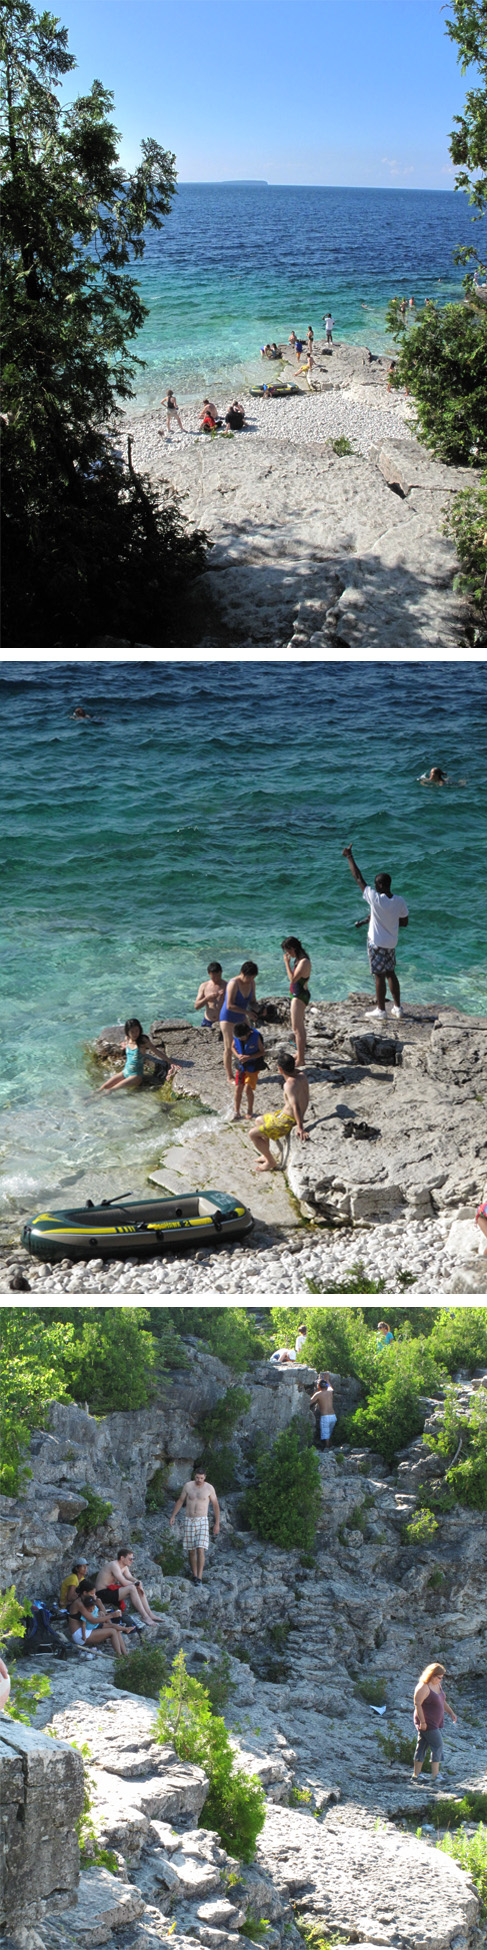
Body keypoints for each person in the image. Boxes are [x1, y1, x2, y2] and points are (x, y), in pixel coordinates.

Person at [342, 845, 408, 1021]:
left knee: (378, 975)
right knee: (391, 973)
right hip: (391, 943)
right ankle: (398, 1008)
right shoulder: (399, 901)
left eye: (376, 883)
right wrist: (389, 922)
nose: (375, 885)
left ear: (380, 885)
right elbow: (405, 922)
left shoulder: (375, 898)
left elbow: (357, 877)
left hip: (376, 943)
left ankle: (381, 1010)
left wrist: (349, 856)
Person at [249, 1051, 309, 1172]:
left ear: (280, 1069)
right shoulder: (302, 1075)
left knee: (252, 1134)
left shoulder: (289, 1085)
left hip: (287, 1121)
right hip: (284, 1114)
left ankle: (271, 1162)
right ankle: (266, 1155)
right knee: (259, 1120)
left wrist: (300, 1127)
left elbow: (295, 1105)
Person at [169, 1465, 220, 1585]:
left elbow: (216, 1505)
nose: (199, 1480)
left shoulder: (209, 1488)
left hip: (202, 1520)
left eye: (201, 1478)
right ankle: (195, 1575)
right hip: (189, 1520)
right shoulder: (188, 1486)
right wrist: (173, 1516)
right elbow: (181, 1500)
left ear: (205, 1477)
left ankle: (200, 1577)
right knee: (191, 1550)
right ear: (194, 1476)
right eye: (197, 1477)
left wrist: (217, 1524)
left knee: (200, 1548)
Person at [97, 1019, 177, 1094]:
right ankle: (91, 1097)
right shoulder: (127, 1039)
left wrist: (171, 1062)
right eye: (132, 1032)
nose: (135, 1034)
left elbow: (157, 1052)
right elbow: (128, 1048)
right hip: (125, 1072)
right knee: (103, 1087)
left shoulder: (143, 1041)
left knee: (111, 1090)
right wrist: (126, 1046)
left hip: (135, 1076)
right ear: (127, 1032)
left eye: (137, 1031)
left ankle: (93, 1102)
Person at [412, 1662, 457, 1785]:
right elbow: (418, 1705)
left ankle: (416, 1775)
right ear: (432, 1675)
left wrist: (450, 1712)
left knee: (422, 1746)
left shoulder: (437, 1686)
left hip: (434, 1721)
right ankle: (435, 1776)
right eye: (439, 1677)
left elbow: (442, 1701)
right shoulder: (423, 1687)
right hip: (427, 1722)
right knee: (438, 1745)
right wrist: (423, 1722)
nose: (441, 1680)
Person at [96, 1548, 160, 1624]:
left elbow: (130, 1577)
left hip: (111, 1591)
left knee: (137, 1585)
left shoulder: (125, 1567)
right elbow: (123, 1582)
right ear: (122, 1558)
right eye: (130, 1559)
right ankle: (145, 1617)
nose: (132, 1561)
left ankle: (150, 1614)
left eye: (133, 1559)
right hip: (102, 1593)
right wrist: (135, 1584)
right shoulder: (114, 1565)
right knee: (132, 1588)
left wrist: (137, 1582)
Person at [68, 1579, 130, 1656]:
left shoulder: (87, 1601)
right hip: (80, 1634)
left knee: (116, 1629)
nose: (94, 1595)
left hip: (88, 1628)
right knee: (112, 1631)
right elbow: (93, 1620)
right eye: (92, 1593)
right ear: (84, 1593)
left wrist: (99, 1604)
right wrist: (111, 1615)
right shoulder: (79, 1603)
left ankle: (125, 1654)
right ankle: (120, 1657)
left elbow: (101, 1615)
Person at [219, 961, 259, 1084]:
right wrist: (247, 1013)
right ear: (242, 973)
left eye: (253, 977)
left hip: (241, 1016)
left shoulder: (252, 983)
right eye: (249, 977)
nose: (250, 979)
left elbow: (252, 1001)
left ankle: (246, 1070)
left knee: (252, 1039)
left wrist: (259, 1010)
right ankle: (229, 1076)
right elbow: (230, 1005)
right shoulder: (233, 983)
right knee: (229, 1047)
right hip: (228, 1017)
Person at [281, 936, 311, 1068]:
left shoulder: (303, 961)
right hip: (298, 995)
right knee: (300, 1027)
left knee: (296, 1029)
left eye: (288, 951)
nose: (287, 954)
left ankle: (301, 1059)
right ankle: (300, 1054)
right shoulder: (299, 959)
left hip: (299, 997)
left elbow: (293, 979)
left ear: (293, 948)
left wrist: (286, 964)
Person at [231, 1020, 265, 1121]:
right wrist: (238, 1056)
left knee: (248, 1089)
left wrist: (249, 1057)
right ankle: (236, 1111)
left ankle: (250, 1111)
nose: (240, 1039)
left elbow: (262, 1052)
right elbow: (232, 1047)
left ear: (248, 1033)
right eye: (239, 1038)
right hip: (242, 1066)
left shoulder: (256, 1036)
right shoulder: (237, 1036)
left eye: (242, 1037)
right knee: (238, 1089)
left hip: (252, 1067)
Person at [194, 962, 226, 1027]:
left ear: (221, 972)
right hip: (208, 1021)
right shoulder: (204, 986)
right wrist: (207, 998)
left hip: (222, 1021)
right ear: (209, 974)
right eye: (213, 977)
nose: (216, 979)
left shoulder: (227, 986)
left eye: (218, 976)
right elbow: (196, 1006)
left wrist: (226, 996)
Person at [310, 1373, 336, 1449]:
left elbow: (310, 1402)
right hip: (333, 1416)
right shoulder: (330, 1392)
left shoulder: (318, 1394)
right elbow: (331, 1388)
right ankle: (330, 1446)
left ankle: (327, 1448)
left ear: (319, 1386)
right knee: (330, 1432)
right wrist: (327, 1380)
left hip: (325, 1417)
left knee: (325, 1433)